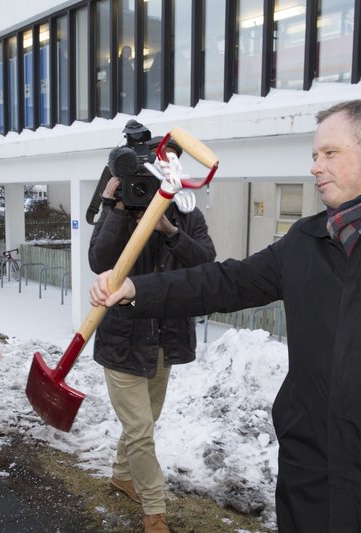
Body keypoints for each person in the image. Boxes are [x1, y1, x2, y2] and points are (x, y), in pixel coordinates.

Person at [90, 99, 361, 532]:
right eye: (314, 155)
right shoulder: (307, 240)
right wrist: (136, 289)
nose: (315, 166)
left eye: (329, 153)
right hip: (311, 485)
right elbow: (227, 282)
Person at [89, 126, 215, 533]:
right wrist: (118, 209)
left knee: (145, 421)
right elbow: (100, 261)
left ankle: (122, 475)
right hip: (124, 341)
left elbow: (206, 265)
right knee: (141, 429)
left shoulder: (185, 213)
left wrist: (169, 231)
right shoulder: (120, 206)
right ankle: (154, 511)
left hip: (166, 340)